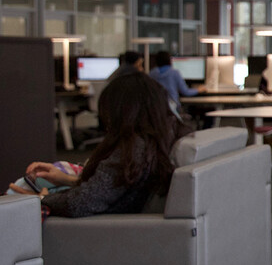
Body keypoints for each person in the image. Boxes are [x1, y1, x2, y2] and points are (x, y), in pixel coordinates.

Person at [7, 72, 190, 217]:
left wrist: (41, 200)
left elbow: (79, 204)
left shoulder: (134, 149)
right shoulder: (168, 137)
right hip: (125, 225)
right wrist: (69, 180)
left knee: (13, 198)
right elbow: (115, 187)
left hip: (98, 230)